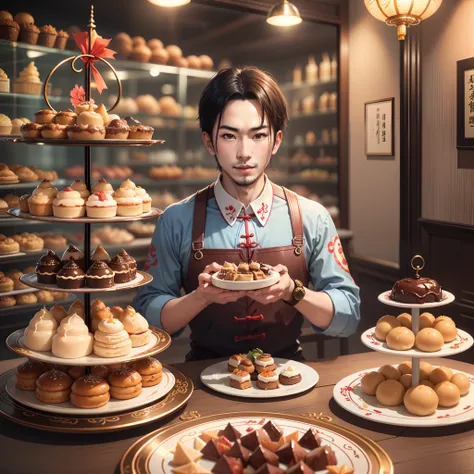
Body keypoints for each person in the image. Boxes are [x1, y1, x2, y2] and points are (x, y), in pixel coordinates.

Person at [134, 66, 360, 361]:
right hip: (203, 377)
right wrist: (200, 297)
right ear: (208, 142)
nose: (244, 152)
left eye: (258, 136)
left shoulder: (312, 216)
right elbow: (146, 320)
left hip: (289, 375)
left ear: (276, 141)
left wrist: (293, 291)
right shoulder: (176, 220)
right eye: (229, 136)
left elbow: (348, 315)